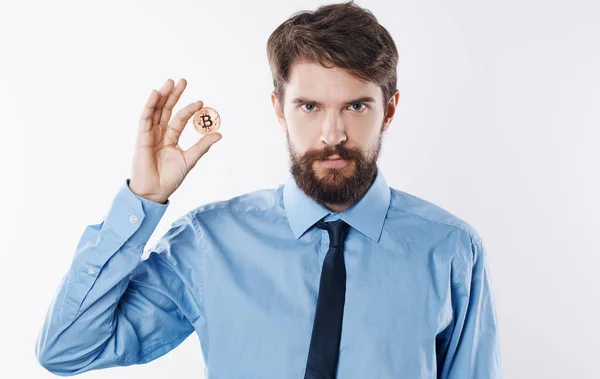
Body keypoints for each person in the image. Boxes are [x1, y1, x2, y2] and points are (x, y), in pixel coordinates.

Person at [34, 1, 502, 378]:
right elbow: (68, 350)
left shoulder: (451, 248)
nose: (332, 134)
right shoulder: (208, 243)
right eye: (310, 106)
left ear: (390, 109)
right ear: (279, 108)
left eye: (356, 106)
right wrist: (142, 199)